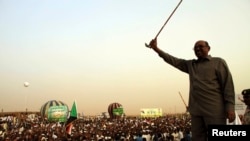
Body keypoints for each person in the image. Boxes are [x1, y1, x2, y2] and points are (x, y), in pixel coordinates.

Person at [148, 39, 236, 141]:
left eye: (200, 46)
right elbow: (173, 60)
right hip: (196, 111)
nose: (198, 49)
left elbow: (228, 85)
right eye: (195, 48)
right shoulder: (191, 65)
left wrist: (230, 107)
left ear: (208, 48)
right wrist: (156, 49)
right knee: (197, 138)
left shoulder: (218, 62)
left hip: (214, 110)